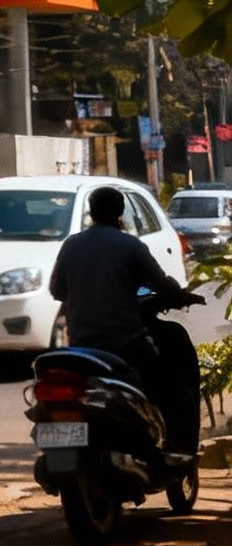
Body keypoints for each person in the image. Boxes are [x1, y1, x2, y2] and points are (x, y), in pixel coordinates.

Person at [48, 185, 203, 458]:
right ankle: (178, 447)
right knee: (172, 387)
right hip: (125, 345)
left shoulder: (71, 245)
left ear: (91, 213)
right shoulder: (130, 246)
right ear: (120, 213)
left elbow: (58, 290)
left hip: (81, 345)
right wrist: (179, 296)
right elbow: (161, 284)